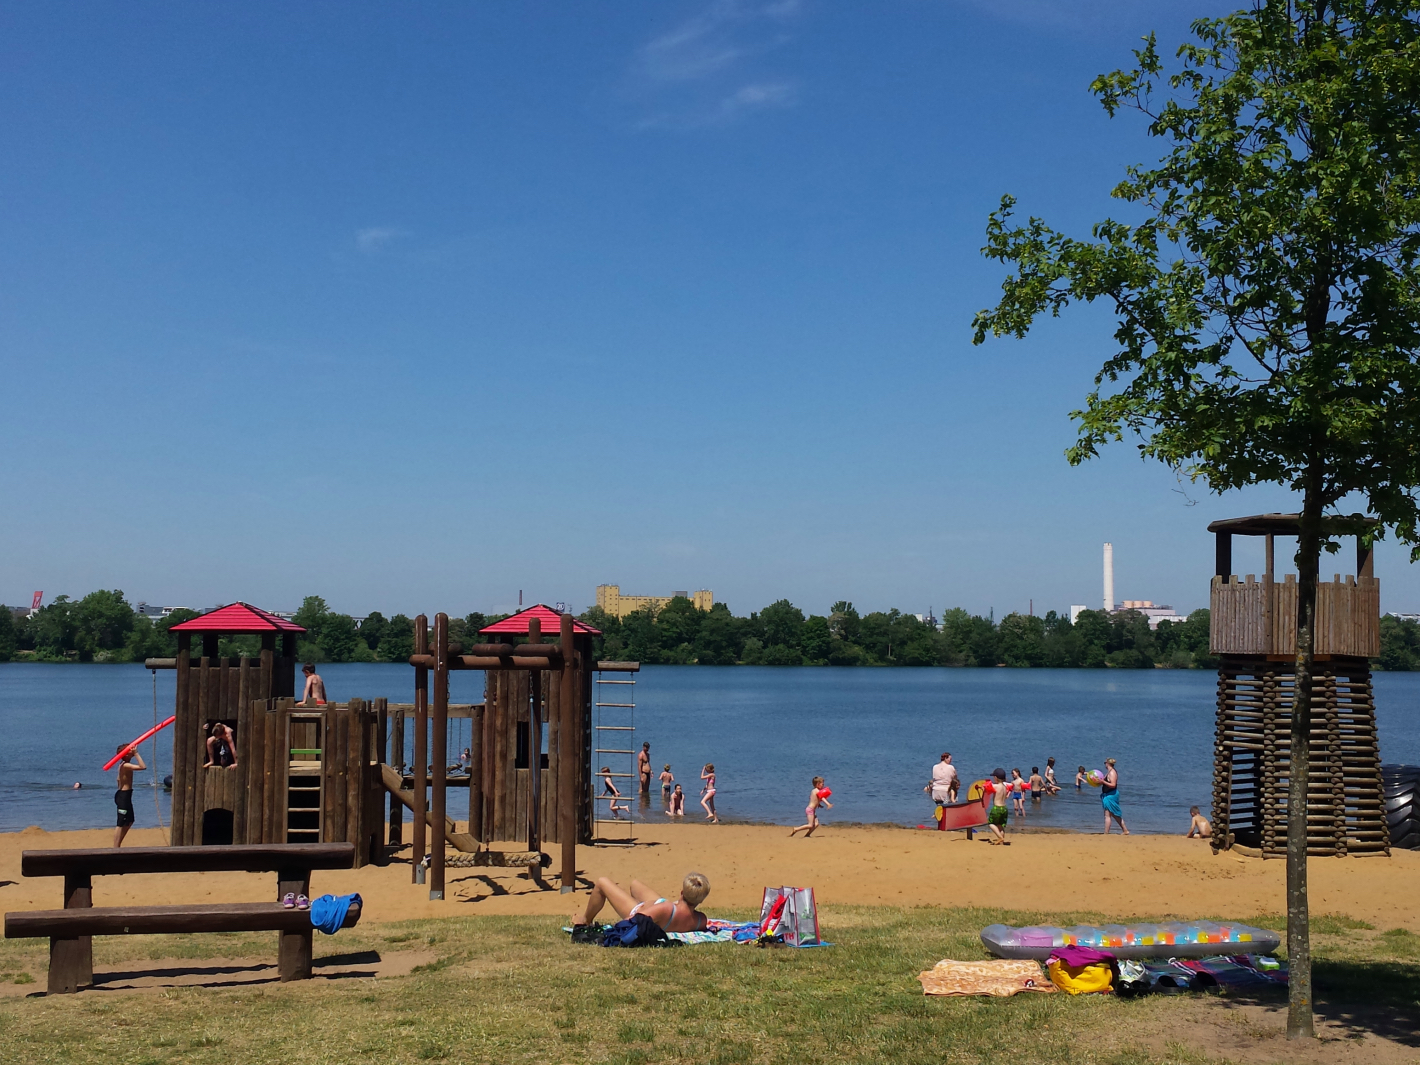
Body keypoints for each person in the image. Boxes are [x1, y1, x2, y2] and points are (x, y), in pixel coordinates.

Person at [572, 871, 710, 935]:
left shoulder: (666, 908)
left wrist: (642, 908)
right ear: (701, 900)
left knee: (602, 882)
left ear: (682, 892)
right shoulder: (700, 920)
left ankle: (586, 920)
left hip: (640, 910)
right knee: (635, 885)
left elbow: (634, 921)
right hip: (662, 909)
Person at [113, 744, 146, 847]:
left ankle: (119, 843)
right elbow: (142, 767)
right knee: (120, 822)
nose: (133, 750)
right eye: (130, 749)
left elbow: (118, 779)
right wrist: (136, 754)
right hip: (123, 796)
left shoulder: (123, 765)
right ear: (126, 754)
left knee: (130, 820)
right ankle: (115, 847)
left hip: (126, 795)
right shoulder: (125, 765)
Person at [1102, 758, 1129, 835]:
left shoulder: (1112, 772)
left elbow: (1113, 784)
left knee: (1107, 815)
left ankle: (1106, 833)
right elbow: (1103, 781)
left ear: (1108, 763)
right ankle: (1125, 830)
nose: (1105, 765)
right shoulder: (1109, 772)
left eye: (1105, 763)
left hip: (1111, 795)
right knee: (1114, 814)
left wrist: (1103, 781)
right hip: (1108, 795)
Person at [986, 768, 1010, 845]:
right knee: (1000, 825)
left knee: (991, 823)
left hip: (997, 808)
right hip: (1004, 808)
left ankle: (1000, 837)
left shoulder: (996, 786)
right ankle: (1001, 839)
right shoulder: (1005, 787)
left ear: (996, 778)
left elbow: (986, 787)